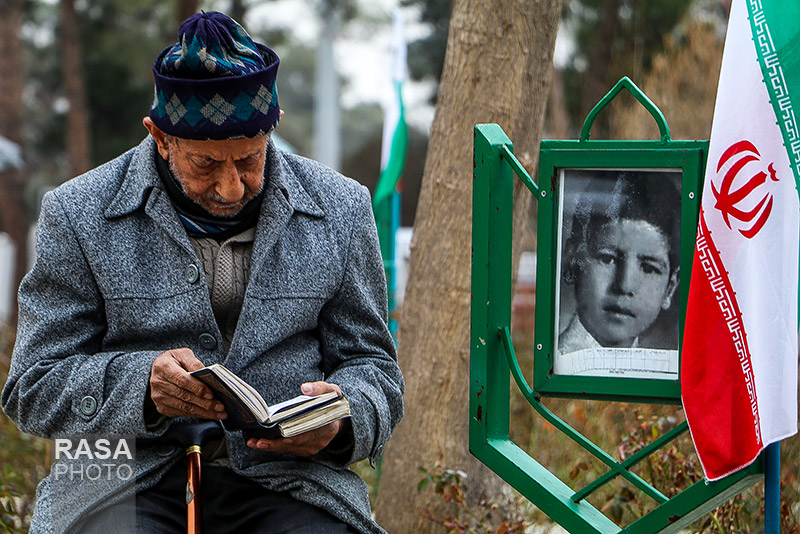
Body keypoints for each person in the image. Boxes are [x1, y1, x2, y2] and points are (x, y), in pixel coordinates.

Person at [1, 11, 403, 534]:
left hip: (290, 477)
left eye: (250, 160)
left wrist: (343, 419)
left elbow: (373, 365)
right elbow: (31, 386)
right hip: (116, 472)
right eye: (206, 165)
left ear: (272, 129)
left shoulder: (342, 207)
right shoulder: (77, 212)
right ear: (159, 137)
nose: (232, 187)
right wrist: (142, 386)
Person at [558, 171, 681, 354]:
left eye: (649, 268)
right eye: (607, 259)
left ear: (670, 288)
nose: (624, 285)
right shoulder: (558, 363)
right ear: (573, 260)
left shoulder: (669, 375)